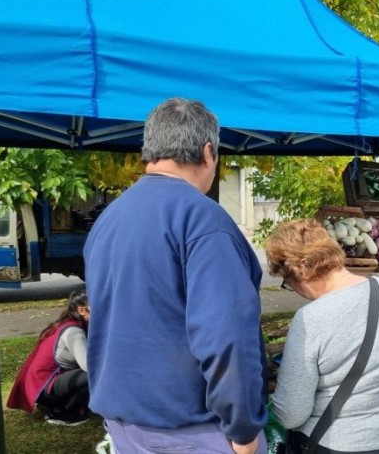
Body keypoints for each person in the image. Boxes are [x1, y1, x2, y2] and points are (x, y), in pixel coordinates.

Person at [83, 98, 267, 454]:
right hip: (191, 431)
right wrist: (243, 430)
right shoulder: (203, 220)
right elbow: (227, 334)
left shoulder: (109, 218)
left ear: (149, 150)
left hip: (126, 426)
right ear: (208, 151)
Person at [267, 219, 379, 453]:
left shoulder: (311, 319)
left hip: (348, 443)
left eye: (288, 283)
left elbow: (291, 413)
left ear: (297, 270)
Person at [8, 291, 91, 426]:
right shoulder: (74, 332)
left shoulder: (67, 323)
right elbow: (88, 366)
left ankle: (56, 405)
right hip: (45, 386)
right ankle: (62, 413)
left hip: (42, 386)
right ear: (81, 310)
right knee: (95, 375)